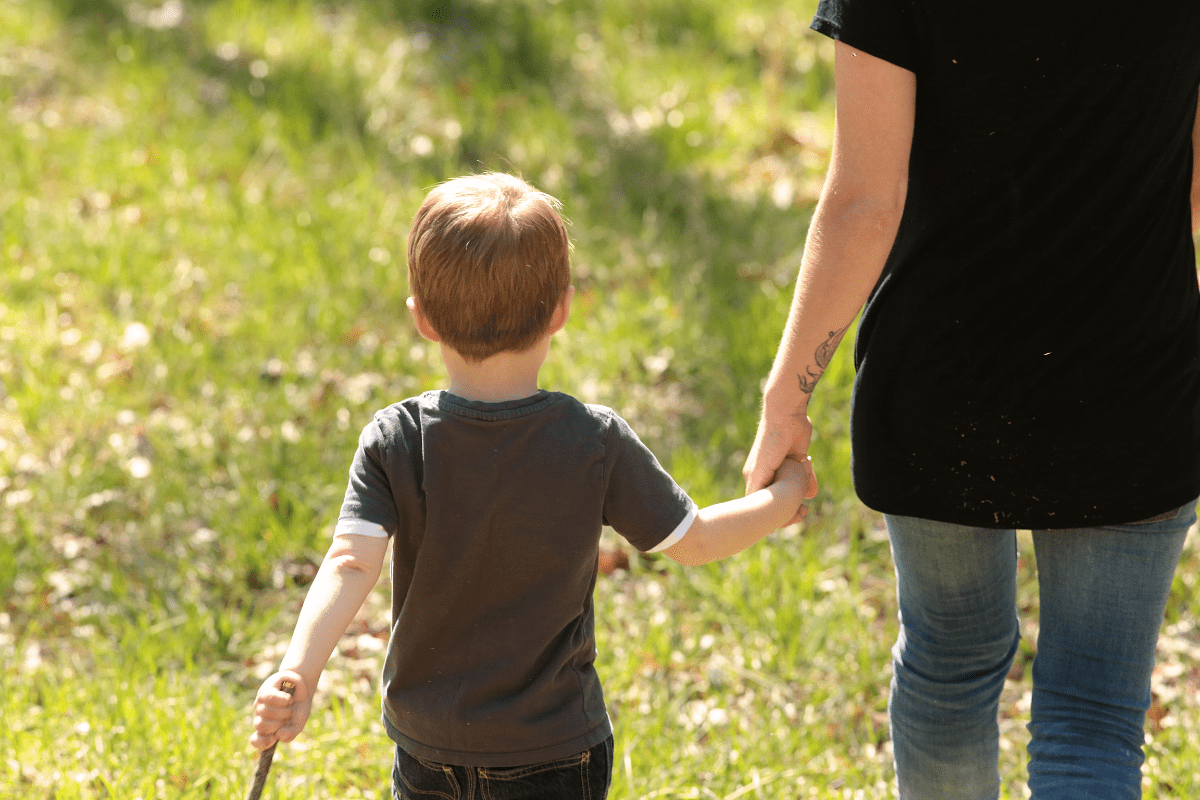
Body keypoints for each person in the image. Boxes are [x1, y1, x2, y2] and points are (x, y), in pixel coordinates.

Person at [743, 2, 1200, 798]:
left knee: (947, 665)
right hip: (1133, 382)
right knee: (1092, 714)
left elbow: (864, 202)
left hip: (940, 386)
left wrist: (788, 395)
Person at [250, 172, 809, 798]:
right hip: (553, 748)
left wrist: (297, 674)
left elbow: (351, 562)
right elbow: (694, 540)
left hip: (427, 745)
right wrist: (780, 499)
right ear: (562, 309)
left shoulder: (396, 438)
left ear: (423, 318)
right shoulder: (592, 441)